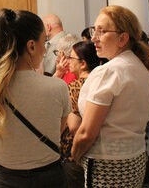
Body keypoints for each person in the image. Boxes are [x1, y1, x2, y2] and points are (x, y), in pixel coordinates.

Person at [0, 9, 70, 187]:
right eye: (45, 42)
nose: (45, 48)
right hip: (49, 176)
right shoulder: (58, 88)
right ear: (31, 46)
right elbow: (57, 131)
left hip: (5, 178)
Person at [71, 5, 149, 187]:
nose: (94, 38)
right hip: (134, 158)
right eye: (94, 30)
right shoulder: (139, 66)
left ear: (122, 38)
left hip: (107, 163)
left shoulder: (110, 71)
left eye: (102, 31)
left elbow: (86, 133)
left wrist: (74, 156)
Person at [60, 41, 102, 188]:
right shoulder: (101, 82)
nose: (68, 61)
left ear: (83, 63)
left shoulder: (74, 86)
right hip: (99, 149)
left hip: (76, 152)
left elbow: (73, 126)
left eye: (71, 58)